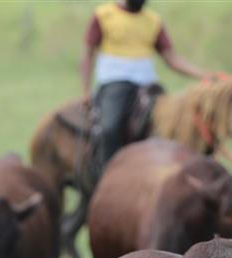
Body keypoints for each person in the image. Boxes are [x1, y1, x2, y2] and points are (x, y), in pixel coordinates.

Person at [80, 0, 209, 176]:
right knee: (110, 126)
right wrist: (86, 91)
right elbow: (88, 54)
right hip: (115, 82)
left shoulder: (153, 20)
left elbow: (171, 58)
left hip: (147, 84)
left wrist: (203, 75)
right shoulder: (104, 15)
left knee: (170, 122)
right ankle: (108, 176)